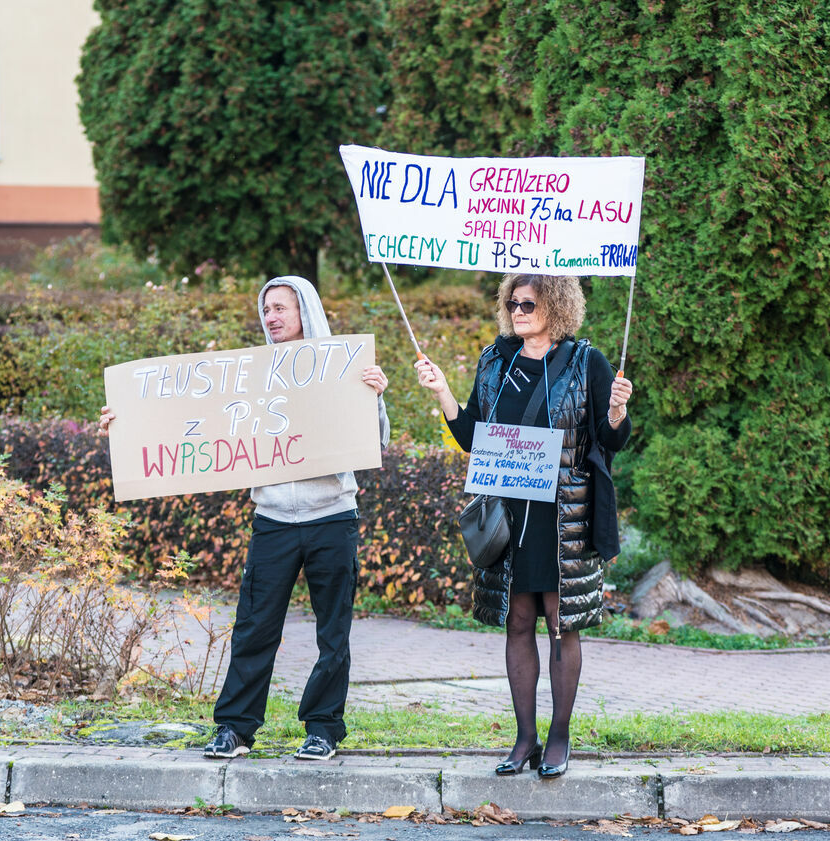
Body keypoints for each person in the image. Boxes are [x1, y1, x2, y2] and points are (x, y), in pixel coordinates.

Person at [100, 276, 390, 761]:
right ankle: (235, 729)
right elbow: (182, 418)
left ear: (306, 311)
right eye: (266, 309)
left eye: (281, 307)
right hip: (273, 520)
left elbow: (375, 441)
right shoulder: (246, 377)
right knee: (254, 627)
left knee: (332, 630)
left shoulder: (343, 369)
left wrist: (374, 396)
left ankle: (323, 729)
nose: (272, 316)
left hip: (331, 517)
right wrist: (125, 423)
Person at [414, 273, 632, 779]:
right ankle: (524, 737)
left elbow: (608, 441)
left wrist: (617, 410)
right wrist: (443, 390)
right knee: (517, 623)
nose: (518, 311)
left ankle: (558, 738)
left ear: (555, 305)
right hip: (510, 515)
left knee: (561, 626)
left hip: (564, 518)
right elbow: (472, 434)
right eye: (512, 302)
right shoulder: (495, 361)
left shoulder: (586, 363)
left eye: (528, 303)